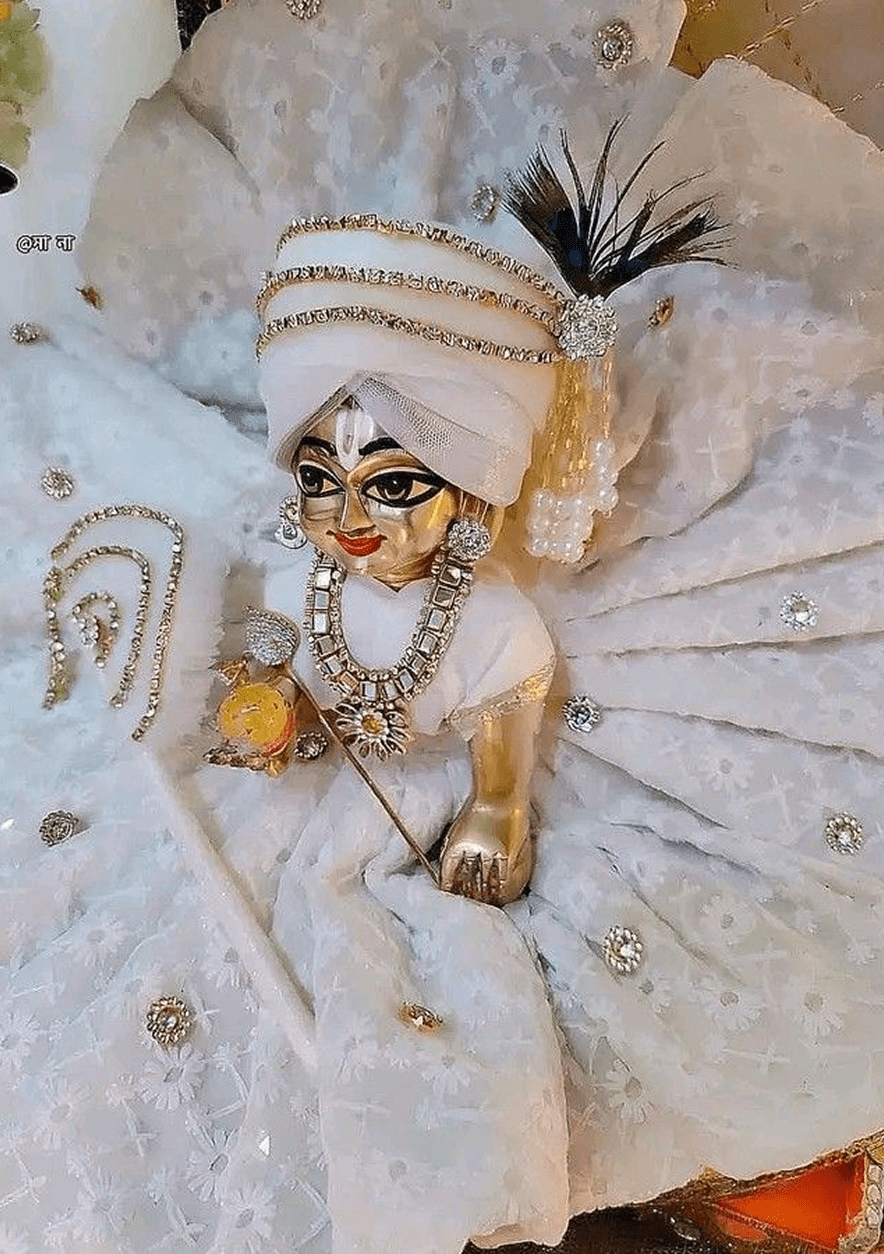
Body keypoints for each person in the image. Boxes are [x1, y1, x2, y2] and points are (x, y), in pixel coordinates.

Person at [3, 0, 884, 1250]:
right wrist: (274, 707)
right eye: (320, 478)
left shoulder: (491, 622)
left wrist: (495, 811)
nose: (348, 517)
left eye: (393, 484)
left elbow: (505, 724)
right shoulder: (315, 580)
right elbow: (297, 668)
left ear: (469, 493)